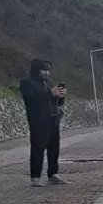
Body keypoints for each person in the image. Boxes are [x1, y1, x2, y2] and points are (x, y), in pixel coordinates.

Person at [19, 58, 66, 187]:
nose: (46, 73)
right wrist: (50, 93)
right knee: (38, 149)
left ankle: (53, 174)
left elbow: (56, 102)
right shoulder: (27, 83)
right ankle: (35, 177)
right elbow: (31, 100)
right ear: (36, 70)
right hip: (38, 121)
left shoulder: (48, 83)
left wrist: (60, 96)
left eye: (48, 70)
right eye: (43, 70)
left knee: (54, 149)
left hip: (53, 120)